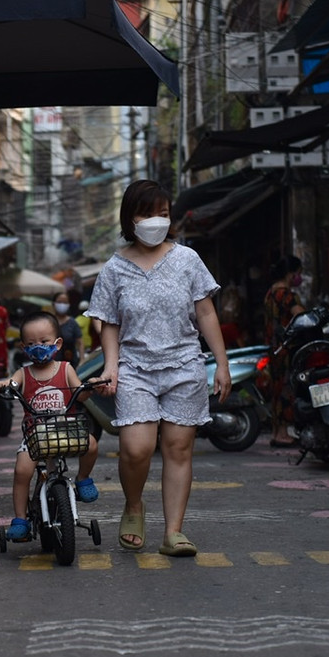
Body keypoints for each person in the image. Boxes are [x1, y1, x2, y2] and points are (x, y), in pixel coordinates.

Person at [86, 179, 231, 557]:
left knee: (179, 449)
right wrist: (111, 368)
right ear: (129, 218)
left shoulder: (187, 259)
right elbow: (109, 323)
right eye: (147, 213)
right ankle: (134, 506)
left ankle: (173, 532)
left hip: (184, 364)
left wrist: (221, 364)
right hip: (135, 367)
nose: (156, 221)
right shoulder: (114, 268)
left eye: (163, 214)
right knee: (137, 448)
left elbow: (205, 312)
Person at [0, 311, 102, 540]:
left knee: (91, 444)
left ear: (57, 343)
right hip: (35, 436)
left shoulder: (66, 369)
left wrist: (90, 386)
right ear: (23, 347)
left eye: (44, 342)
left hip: (65, 430)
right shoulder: (24, 373)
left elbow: (80, 395)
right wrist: (0, 384)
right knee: (22, 470)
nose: (37, 347)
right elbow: (11, 383)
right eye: (31, 343)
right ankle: (20, 518)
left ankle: (82, 479)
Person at [263, 255, 306, 447]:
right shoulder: (287, 295)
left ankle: (276, 431)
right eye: (298, 273)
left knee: (276, 389)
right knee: (286, 390)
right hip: (286, 349)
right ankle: (282, 433)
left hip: (273, 348)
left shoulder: (270, 293)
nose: (299, 277)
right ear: (291, 274)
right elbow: (302, 316)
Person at [52, 288, 84, 370]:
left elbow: (80, 342)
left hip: (70, 363)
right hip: (52, 364)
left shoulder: (72, 322)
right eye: (59, 302)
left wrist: (82, 359)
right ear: (53, 303)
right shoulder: (49, 322)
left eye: (65, 302)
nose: (62, 305)